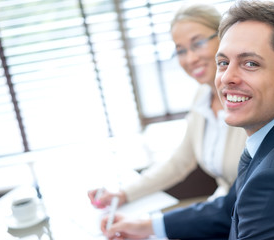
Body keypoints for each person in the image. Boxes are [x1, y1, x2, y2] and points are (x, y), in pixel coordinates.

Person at [100, 1, 274, 239]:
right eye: (223, 62)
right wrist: (148, 226)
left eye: (250, 64)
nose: (227, 77)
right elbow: (230, 204)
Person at [88, 3, 246, 209]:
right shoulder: (202, 97)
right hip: (223, 210)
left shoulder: (247, 98)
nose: (190, 58)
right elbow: (179, 163)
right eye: (180, 50)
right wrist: (123, 194)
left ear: (224, 38)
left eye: (197, 43)